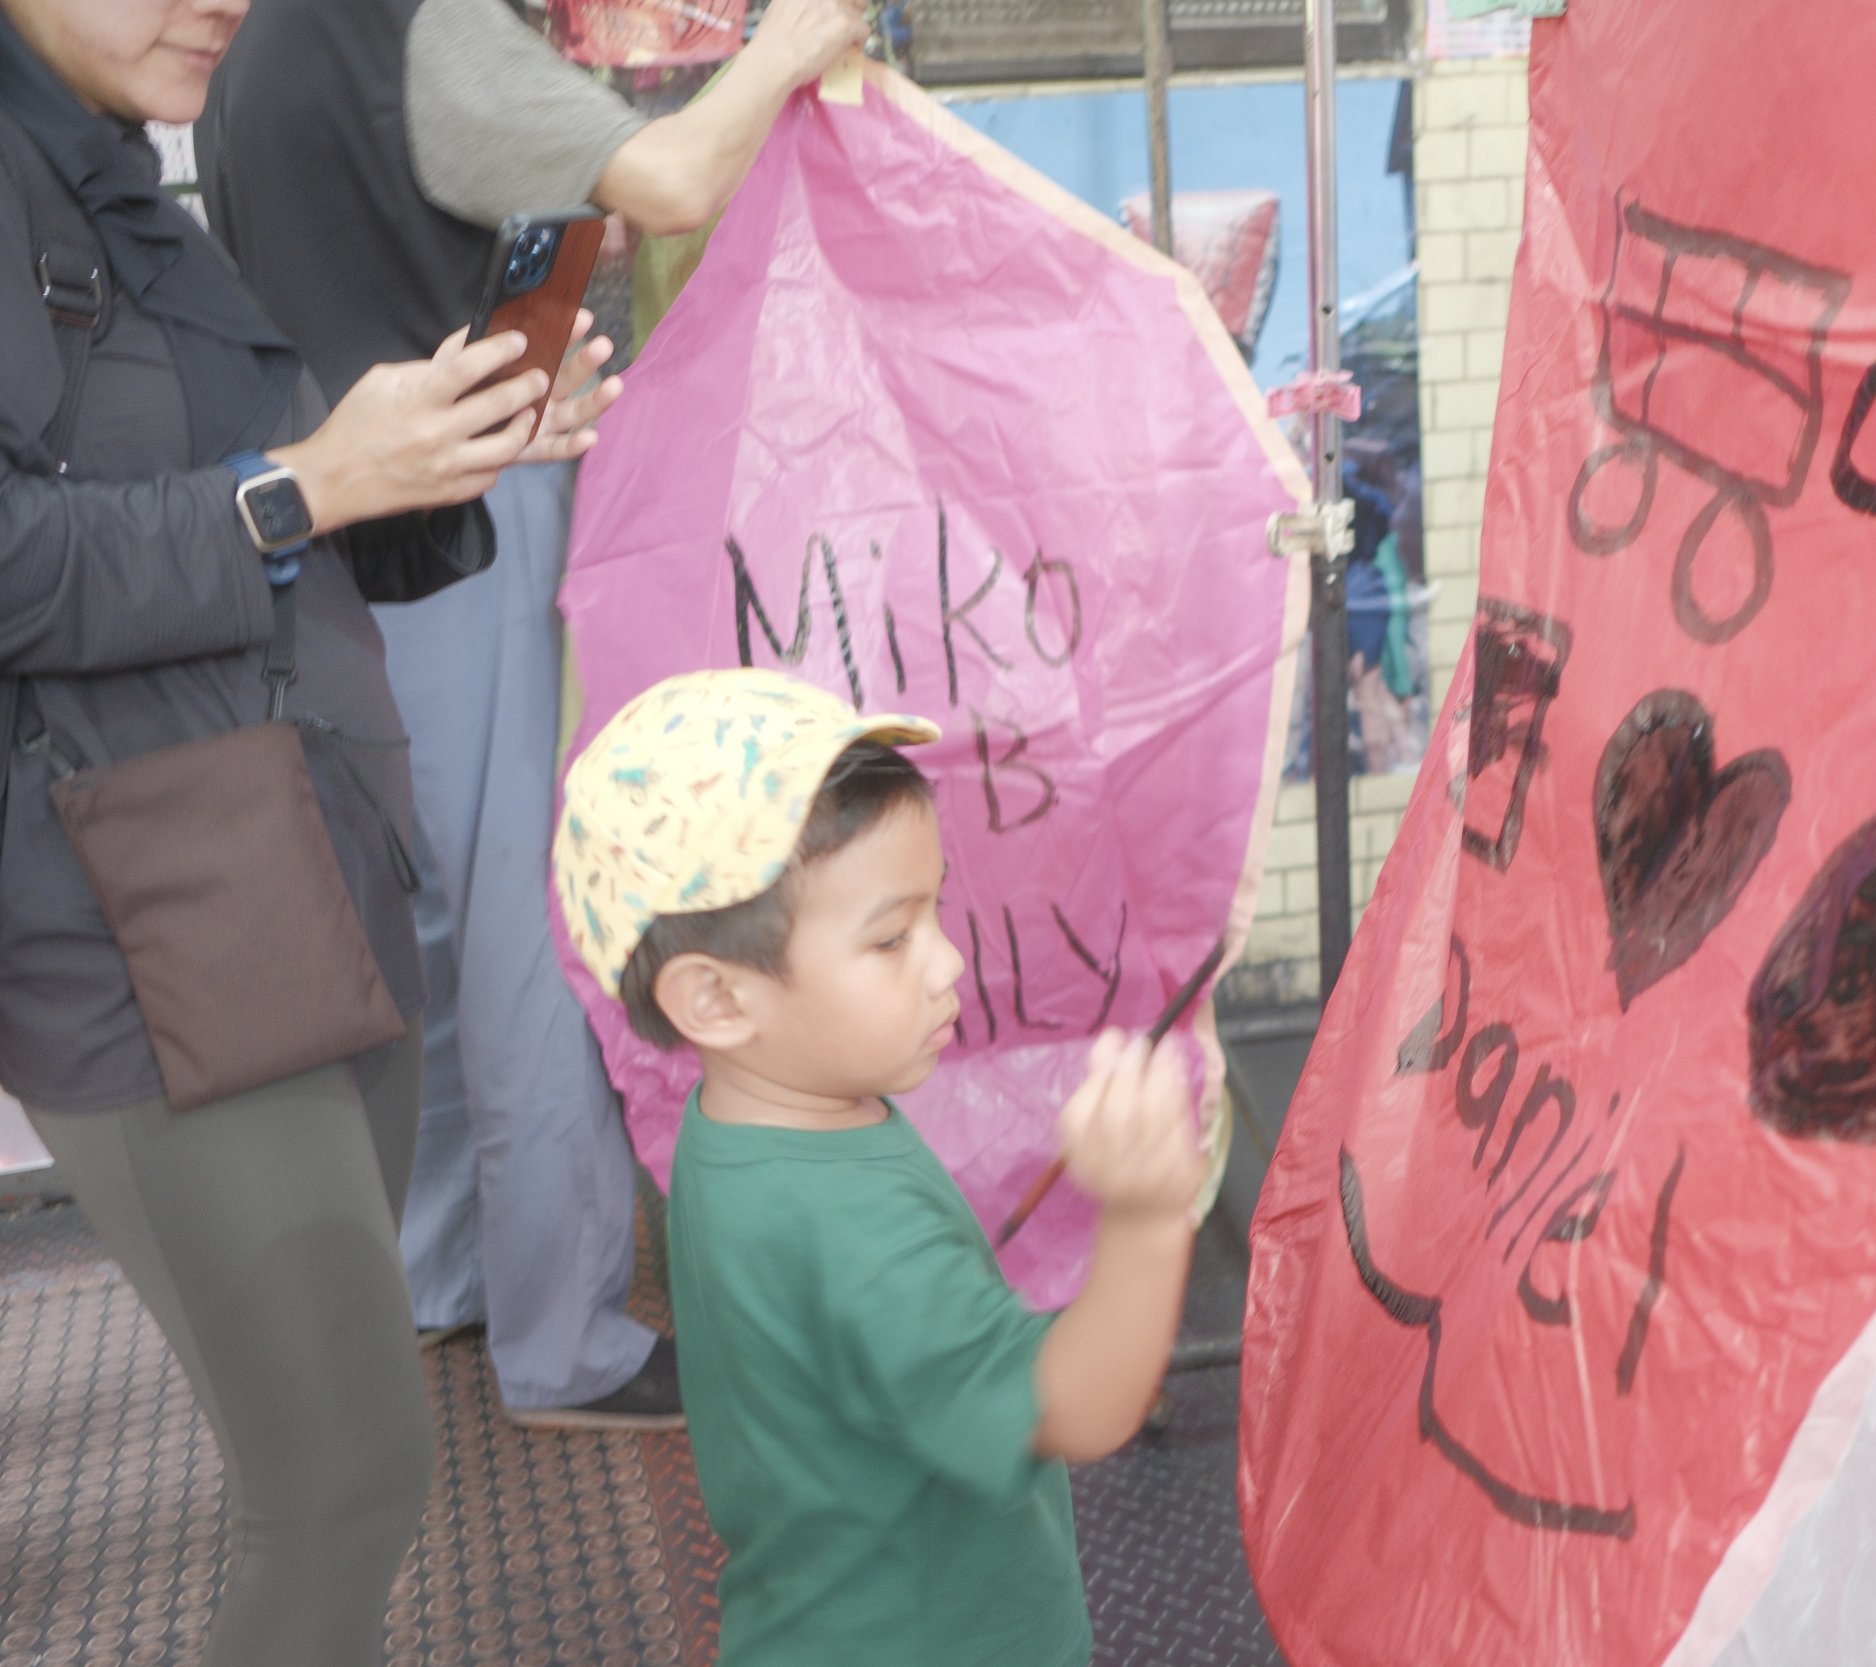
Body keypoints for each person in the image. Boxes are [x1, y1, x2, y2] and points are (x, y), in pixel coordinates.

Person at [0, 0, 601, 1659]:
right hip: (134, 908)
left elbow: (217, 493)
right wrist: (312, 485)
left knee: (349, 1467)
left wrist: (426, 463)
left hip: (285, 856)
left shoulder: (109, 155)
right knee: (341, 1474)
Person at [196, 0, 867, 1427]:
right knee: (530, 935)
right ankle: (566, 1338)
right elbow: (676, 177)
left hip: (327, 536)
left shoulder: (246, 44)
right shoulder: (426, 30)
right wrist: (795, 39)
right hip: (466, 525)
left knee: (422, 926)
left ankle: (446, 1269)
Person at [554, 669, 1204, 1667]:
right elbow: (1077, 1404)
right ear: (717, 1002)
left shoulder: (736, 1117)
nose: (945, 961)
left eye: (934, 913)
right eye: (891, 937)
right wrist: (1149, 1215)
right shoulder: (848, 1225)